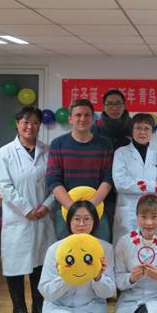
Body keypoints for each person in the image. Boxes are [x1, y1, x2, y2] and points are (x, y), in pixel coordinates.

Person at [0, 106, 56, 313]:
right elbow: (4, 186)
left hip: (43, 216)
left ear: (40, 126)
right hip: (18, 218)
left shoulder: (48, 151)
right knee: (16, 265)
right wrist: (27, 209)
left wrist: (47, 205)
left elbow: (55, 183)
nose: (30, 126)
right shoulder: (5, 153)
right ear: (17, 124)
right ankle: (19, 310)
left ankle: (38, 307)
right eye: (25, 122)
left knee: (40, 264)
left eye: (35, 122)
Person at [46, 98, 113, 241]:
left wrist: (91, 207)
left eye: (87, 115)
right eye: (78, 115)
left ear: (93, 118)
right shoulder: (58, 144)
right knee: (66, 252)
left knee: (102, 250)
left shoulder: (105, 144)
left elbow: (108, 178)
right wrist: (73, 209)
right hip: (66, 210)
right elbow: (53, 179)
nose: (82, 119)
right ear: (70, 118)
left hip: (97, 209)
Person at [38, 201, 116, 313]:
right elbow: (45, 290)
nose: (81, 224)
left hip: (90, 309)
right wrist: (65, 277)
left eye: (87, 219)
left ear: (94, 221)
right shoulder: (55, 249)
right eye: (77, 219)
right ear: (69, 221)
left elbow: (108, 293)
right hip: (58, 308)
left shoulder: (105, 249)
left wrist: (98, 277)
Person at [113, 113, 157, 241]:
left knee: (149, 247)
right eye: (138, 128)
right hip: (129, 211)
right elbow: (121, 183)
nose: (142, 132)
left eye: (146, 128)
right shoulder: (121, 153)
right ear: (132, 131)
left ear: (152, 132)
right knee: (127, 246)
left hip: (152, 210)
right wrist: (153, 185)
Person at [93, 89, 133, 236]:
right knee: (104, 235)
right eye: (110, 104)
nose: (114, 108)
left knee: (127, 237)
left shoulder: (134, 128)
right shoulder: (95, 130)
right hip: (102, 192)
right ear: (103, 106)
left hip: (129, 191)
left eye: (118, 104)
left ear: (124, 105)